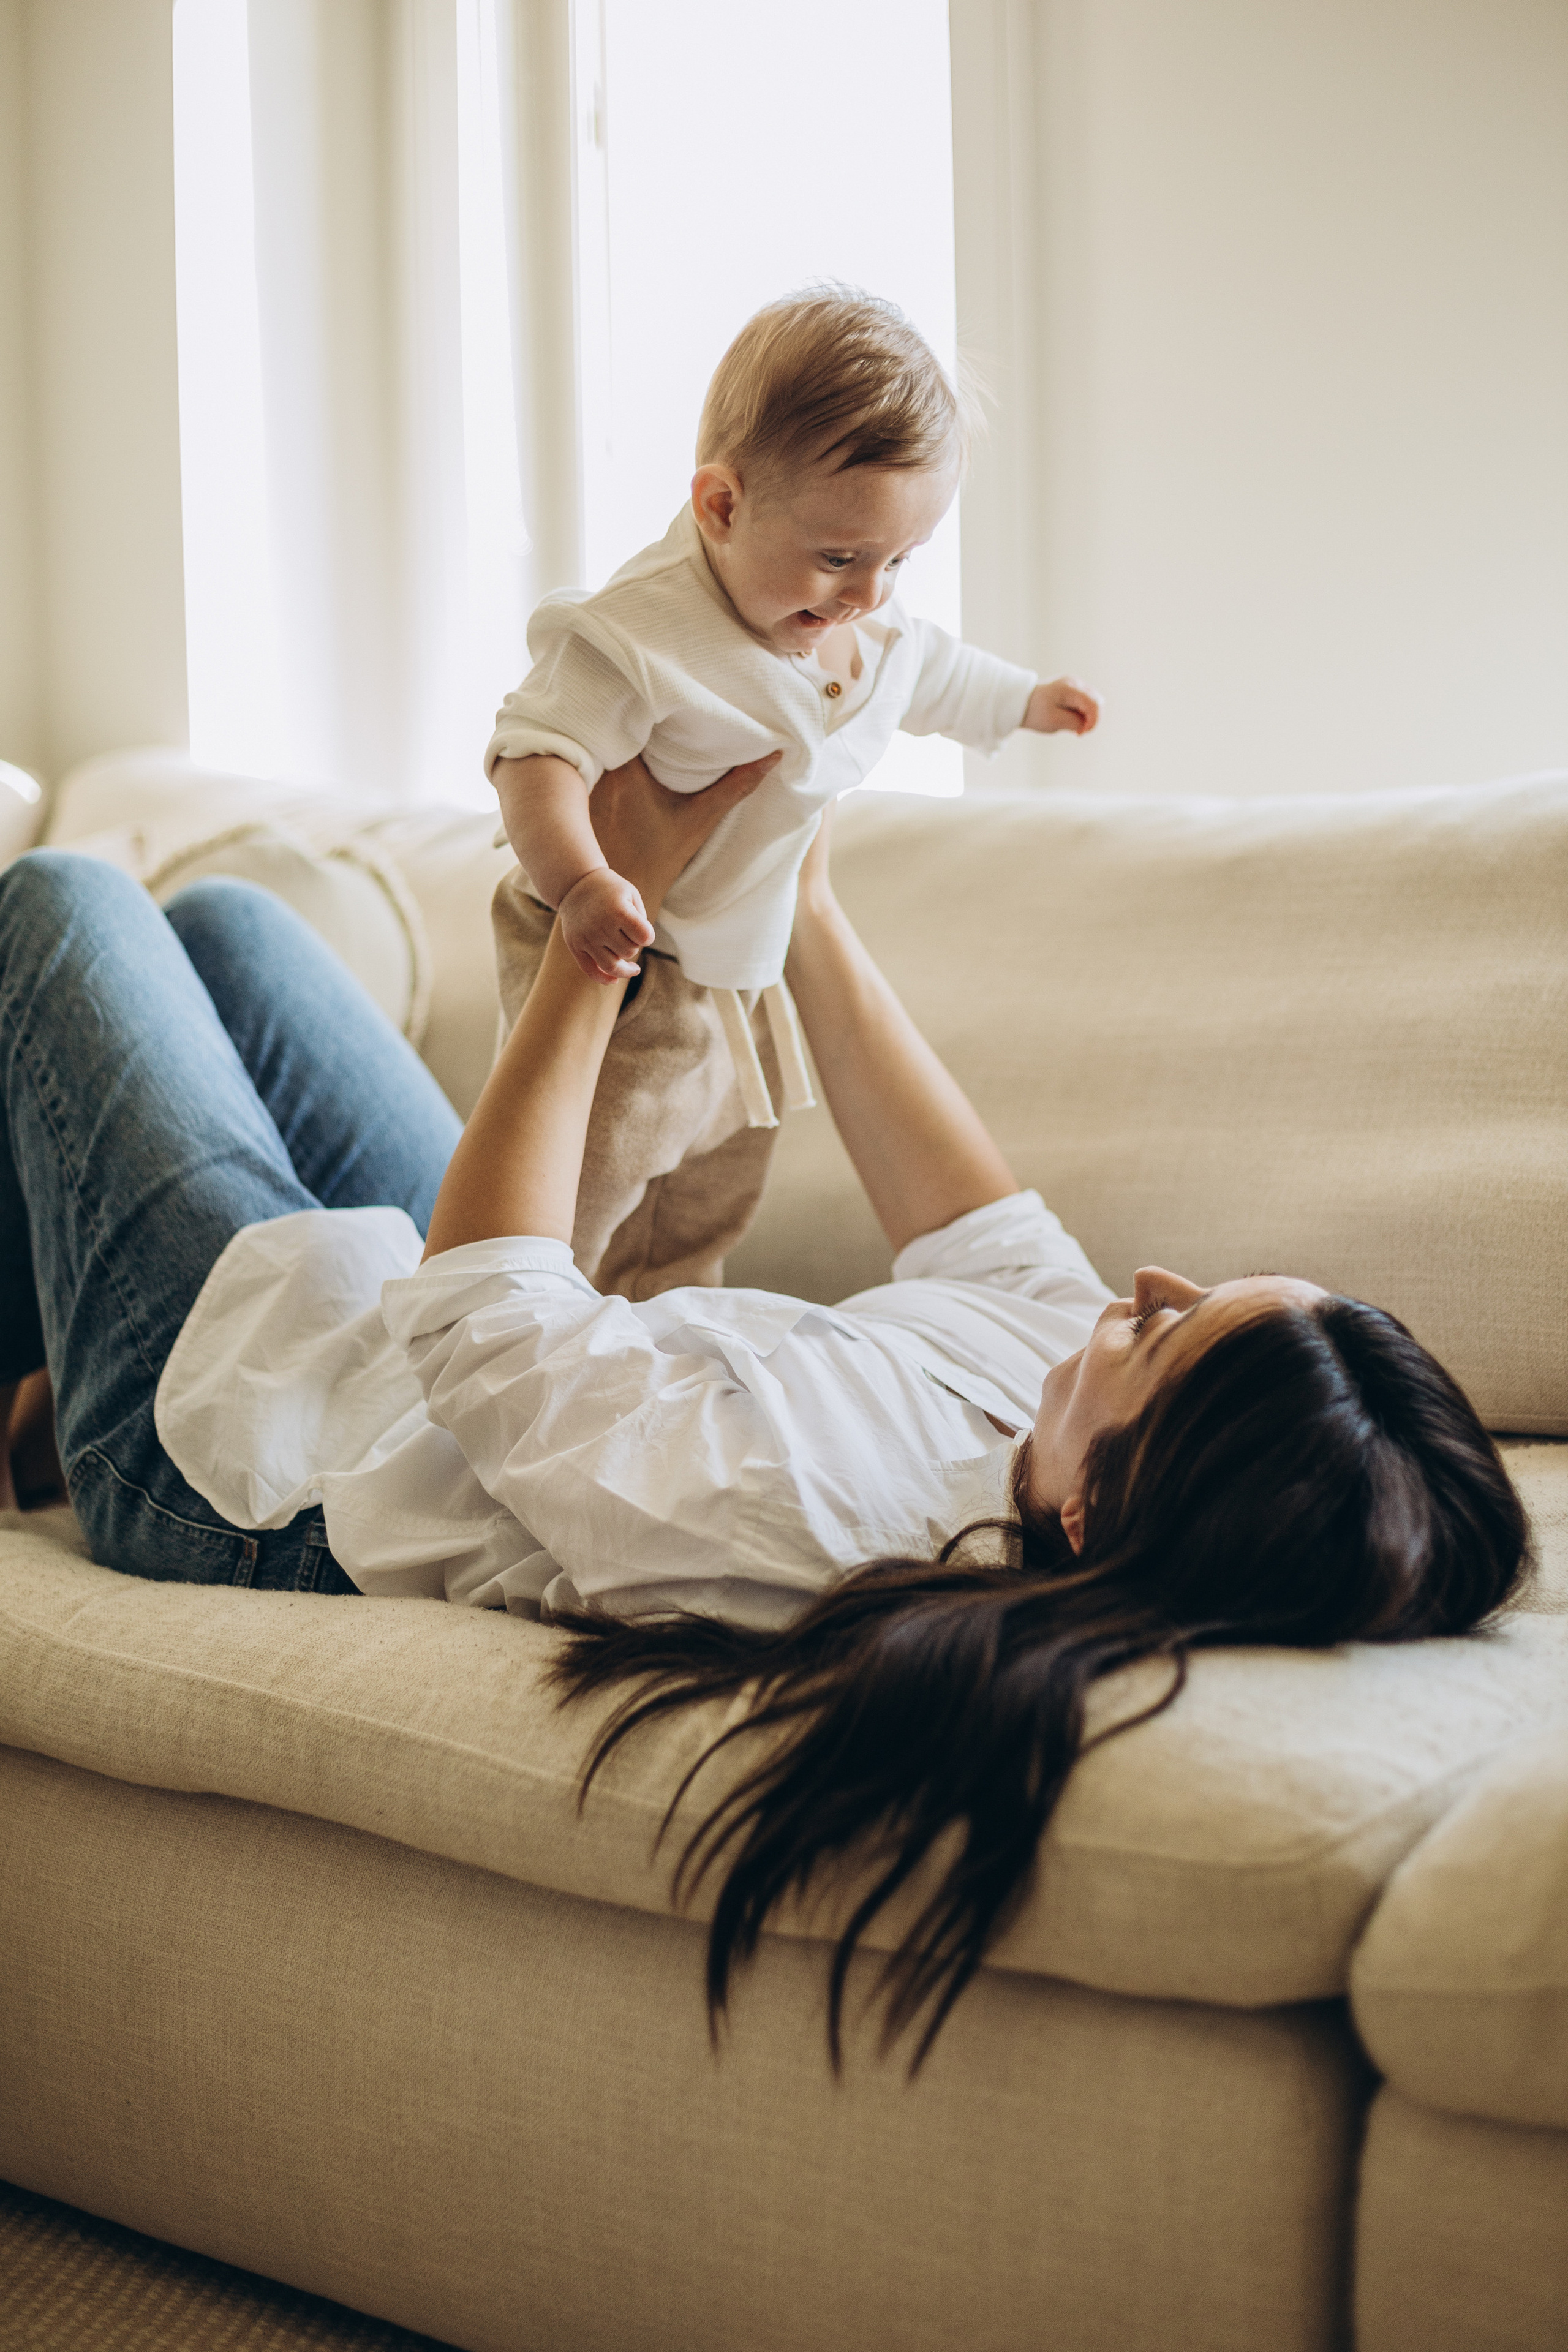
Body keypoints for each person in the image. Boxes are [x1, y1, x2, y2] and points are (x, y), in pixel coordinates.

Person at [0, 760, 1528, 2061]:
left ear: (1091, 1510)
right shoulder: (1055, 1403)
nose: (1139, 1281)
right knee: (235, 929)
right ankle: (43, 1363)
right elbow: (976, 1221)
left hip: (257, 1456)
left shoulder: (808, 1512)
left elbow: (481, 1314)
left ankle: (75, 1409)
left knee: (60, 909)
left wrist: (598, 946)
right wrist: (784, 869)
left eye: (1165, 1328)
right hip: (426, 1323)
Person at [486, 287, 1101, 1298]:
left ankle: (661, 1317)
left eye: (901, 558)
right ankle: (536, 1321)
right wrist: (583, 881)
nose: (869, 593)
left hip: (745, 961)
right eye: (838, 558)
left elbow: (933, 671)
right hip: (627, 958)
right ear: (721, 506)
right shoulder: (643, 631)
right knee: (590, 1180)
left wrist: (1026, 702)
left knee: (715, 1184)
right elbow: (535, 758)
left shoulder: (853, 623)